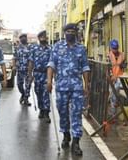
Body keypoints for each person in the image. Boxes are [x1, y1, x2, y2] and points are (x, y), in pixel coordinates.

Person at [47, 23, 90, 156]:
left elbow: (85, 67)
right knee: (63, 111)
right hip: (61, 87)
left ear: (76, 33)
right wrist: (49, 81)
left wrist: (86, 84)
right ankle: (66, 134)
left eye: (73, 31)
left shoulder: (81, 49)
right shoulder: (57, 47)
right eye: (68, 31)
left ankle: (76, 142)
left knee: (77, 113)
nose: (70, 33)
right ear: (64, 33)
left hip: (76, 87)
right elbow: (51, 64)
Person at [28, 30, 51, 123]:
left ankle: (46, 112)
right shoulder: (34, 49)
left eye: (44, 36)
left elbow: (53, 63)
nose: (43, 38)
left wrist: (53, 76)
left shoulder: (50, 49)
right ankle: (41, 109)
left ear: (46, 38)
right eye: (41, 37)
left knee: (46, 93)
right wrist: (30, 75)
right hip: (37, 74)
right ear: (38, 38)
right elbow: (31, 62)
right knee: (38, 92)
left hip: (46, 73)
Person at [12, 34, 31, 106]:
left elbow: (32, 59)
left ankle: (26, 98)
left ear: (26, 38)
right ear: (20, 39)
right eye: (21, 38)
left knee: (28, 85)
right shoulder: (17, 48)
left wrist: (31, 70)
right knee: (19, 84)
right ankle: (23, 94)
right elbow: (14, 58)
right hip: (19, 69)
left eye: (24, 37)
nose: (23, 39)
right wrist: (14, 66)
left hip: (27, 69)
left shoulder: (30, 48)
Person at [108, 39, 125, 117]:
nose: (115, 50)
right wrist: (111, 76)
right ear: (111, 48)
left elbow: (124, 65)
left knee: (117, 96)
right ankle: (113, 114)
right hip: (112, 78)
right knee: (112, 96)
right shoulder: (109, 56)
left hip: (120, 77)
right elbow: (107, 68)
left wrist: (124, 65)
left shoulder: (122, 55)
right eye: (113, 48)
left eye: (116, 48)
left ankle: (116, 114)